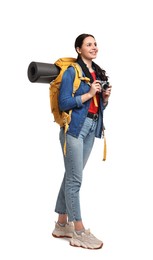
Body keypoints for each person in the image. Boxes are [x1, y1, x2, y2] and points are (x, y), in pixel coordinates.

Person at [52, 33, 112, 249]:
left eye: (95, 44)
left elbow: (96, 107)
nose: (94, 47)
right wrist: (88, 94)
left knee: (72, 175)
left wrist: (103, 99)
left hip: (91, 127)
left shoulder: (97, 71)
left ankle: (61, 224)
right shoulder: (72, 71)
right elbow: (64, 102)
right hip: (74, 129)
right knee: (75, 180)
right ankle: (78, 231)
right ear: (78, 49)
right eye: (89, 44)